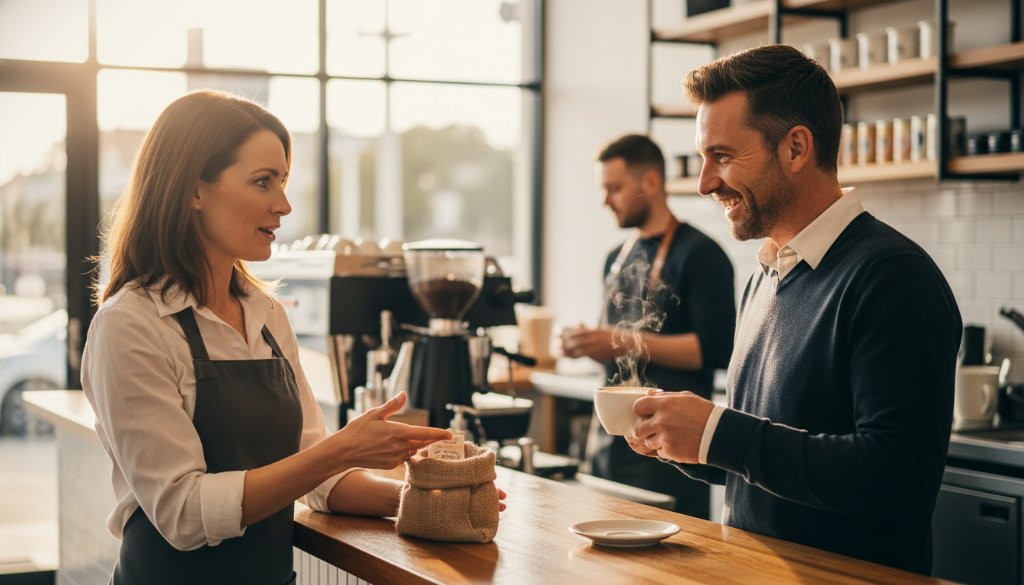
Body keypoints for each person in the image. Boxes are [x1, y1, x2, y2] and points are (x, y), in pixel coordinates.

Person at [81, 90, 501, 585]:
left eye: (282, 181)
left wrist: (426, 499)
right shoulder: (131, 324)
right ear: (192, 190)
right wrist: (342, 448)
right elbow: (183, 514)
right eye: (262, 182)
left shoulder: (266, 314)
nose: (283, 205)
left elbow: (315, 476)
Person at [626, 45, 962, 575]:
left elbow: (900, 481)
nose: (704, 183)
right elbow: (763, 463)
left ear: (797, 148)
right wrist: (683, 439)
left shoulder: (892, 276)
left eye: (723, 156)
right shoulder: (767, 273)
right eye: (703, 158)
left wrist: (719, 433)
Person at [561, 134, 736, 518]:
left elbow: (715, 350)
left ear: (651, 183)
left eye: (615, 188)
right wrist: (588, 342)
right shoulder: (615, 257)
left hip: (669, 454)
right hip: (606, 447)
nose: (605, 200)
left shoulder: (701, 254)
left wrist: (620, 341)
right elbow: (613, 342)